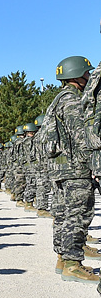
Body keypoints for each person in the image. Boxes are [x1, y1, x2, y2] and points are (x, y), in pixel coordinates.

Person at [44, 55, 101, 283]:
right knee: (78, 215)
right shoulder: (72, 101)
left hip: (61, 168)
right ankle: (72, 264)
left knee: (64, 214)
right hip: (75, 168)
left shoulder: (59, 99)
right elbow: (81, 137)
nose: (89, 77)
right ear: (76, 75)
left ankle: (62, 258)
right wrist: (94, 165)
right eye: (87, 74)